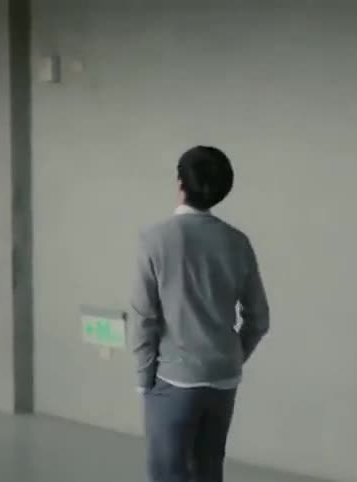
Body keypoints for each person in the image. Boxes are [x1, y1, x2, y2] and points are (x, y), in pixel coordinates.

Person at [130, 146, 270, 482]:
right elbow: (259, 318)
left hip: (173, 379)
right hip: (224, 377)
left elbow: (143, 318)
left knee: (168, 473)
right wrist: (232, 355)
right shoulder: (237, 242)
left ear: (180, 183)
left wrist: (144, 379)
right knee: (209, 469)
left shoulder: (154, 239)